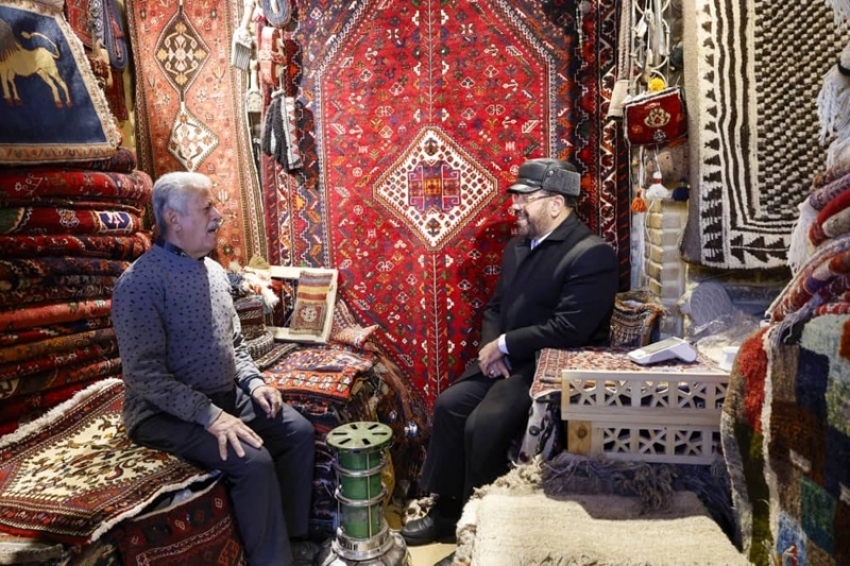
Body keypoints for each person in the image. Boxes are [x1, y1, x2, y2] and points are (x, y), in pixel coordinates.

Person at [401, 158, 619, 554]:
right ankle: (447, 512)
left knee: (483, 424)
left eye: (524, 198)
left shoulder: (591, 254)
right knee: (449, 405)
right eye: (515, 198)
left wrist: (504, 345)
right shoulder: (517, 248)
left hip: (548, 367)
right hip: (508, 360)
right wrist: (492, 351)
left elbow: (569, 328)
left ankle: (480, 531)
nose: (514, 207)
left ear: (556, 204)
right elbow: (495, 307)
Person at [112, 172, 315, 566]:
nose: (218, 216)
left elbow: (234, 344)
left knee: (298, 432)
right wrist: (209, 415)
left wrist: (255, 384)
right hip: (162, 414)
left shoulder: (214, 271)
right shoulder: (139, 283)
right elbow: (144, 376)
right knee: (253, 462)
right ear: (173, 218)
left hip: (224, 396)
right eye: (206, 208)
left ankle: (294, 540)